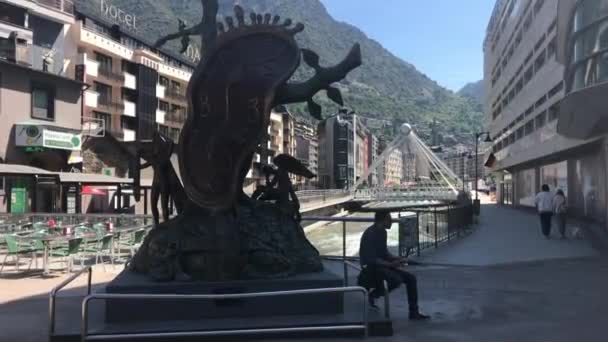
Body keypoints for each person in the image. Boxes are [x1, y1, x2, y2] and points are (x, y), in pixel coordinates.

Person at [358, 211, 430, 320]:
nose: (391, 222)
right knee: (396, 279)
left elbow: (384, 253)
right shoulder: (370, 234)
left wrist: (399, 259)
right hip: (370, 269)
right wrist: (391, 264)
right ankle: (374, 294)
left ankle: (413, 312)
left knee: (411, 278)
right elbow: (371, 260)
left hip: (381, 266)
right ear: (382, 220)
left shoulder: (383, 232)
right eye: (389, 219)